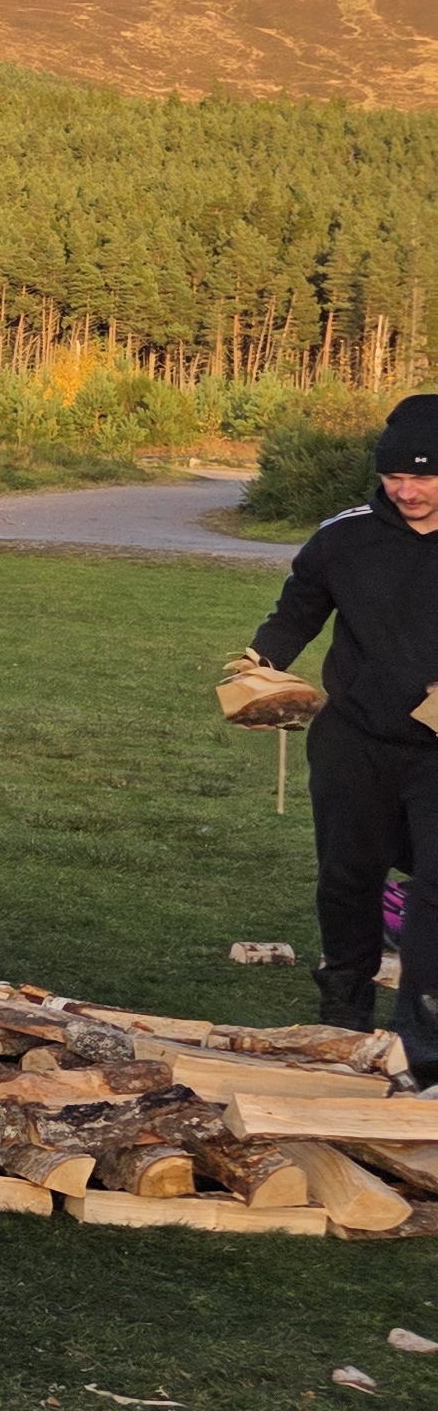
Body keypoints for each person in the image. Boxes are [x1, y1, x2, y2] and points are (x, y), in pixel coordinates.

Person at [245, 390, 438, 1057]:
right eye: (396, 476)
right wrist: (261, 658)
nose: (408, 490)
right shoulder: (345, 535)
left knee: (436, 891)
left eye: (423, 476)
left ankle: (423, 1036)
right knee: (348, 879)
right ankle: (344, 1016)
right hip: (354, 739)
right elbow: (300, 605)